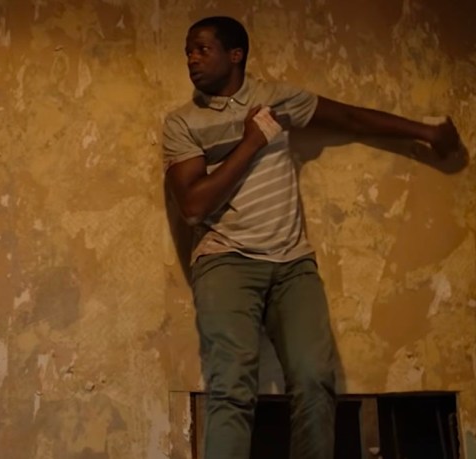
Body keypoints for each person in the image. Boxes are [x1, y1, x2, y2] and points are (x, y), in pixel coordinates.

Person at [162, 16, 461, 459]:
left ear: (235, 55)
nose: (192, 59)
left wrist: (426, 133)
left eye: (202, 49)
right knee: (231, 385)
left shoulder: (276, 98)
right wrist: (252, 142)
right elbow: (192, 206)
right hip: (225, 261)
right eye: (188, 51)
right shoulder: (182, 123)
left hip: (292, 265)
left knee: (315, 379)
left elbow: (351, 118)